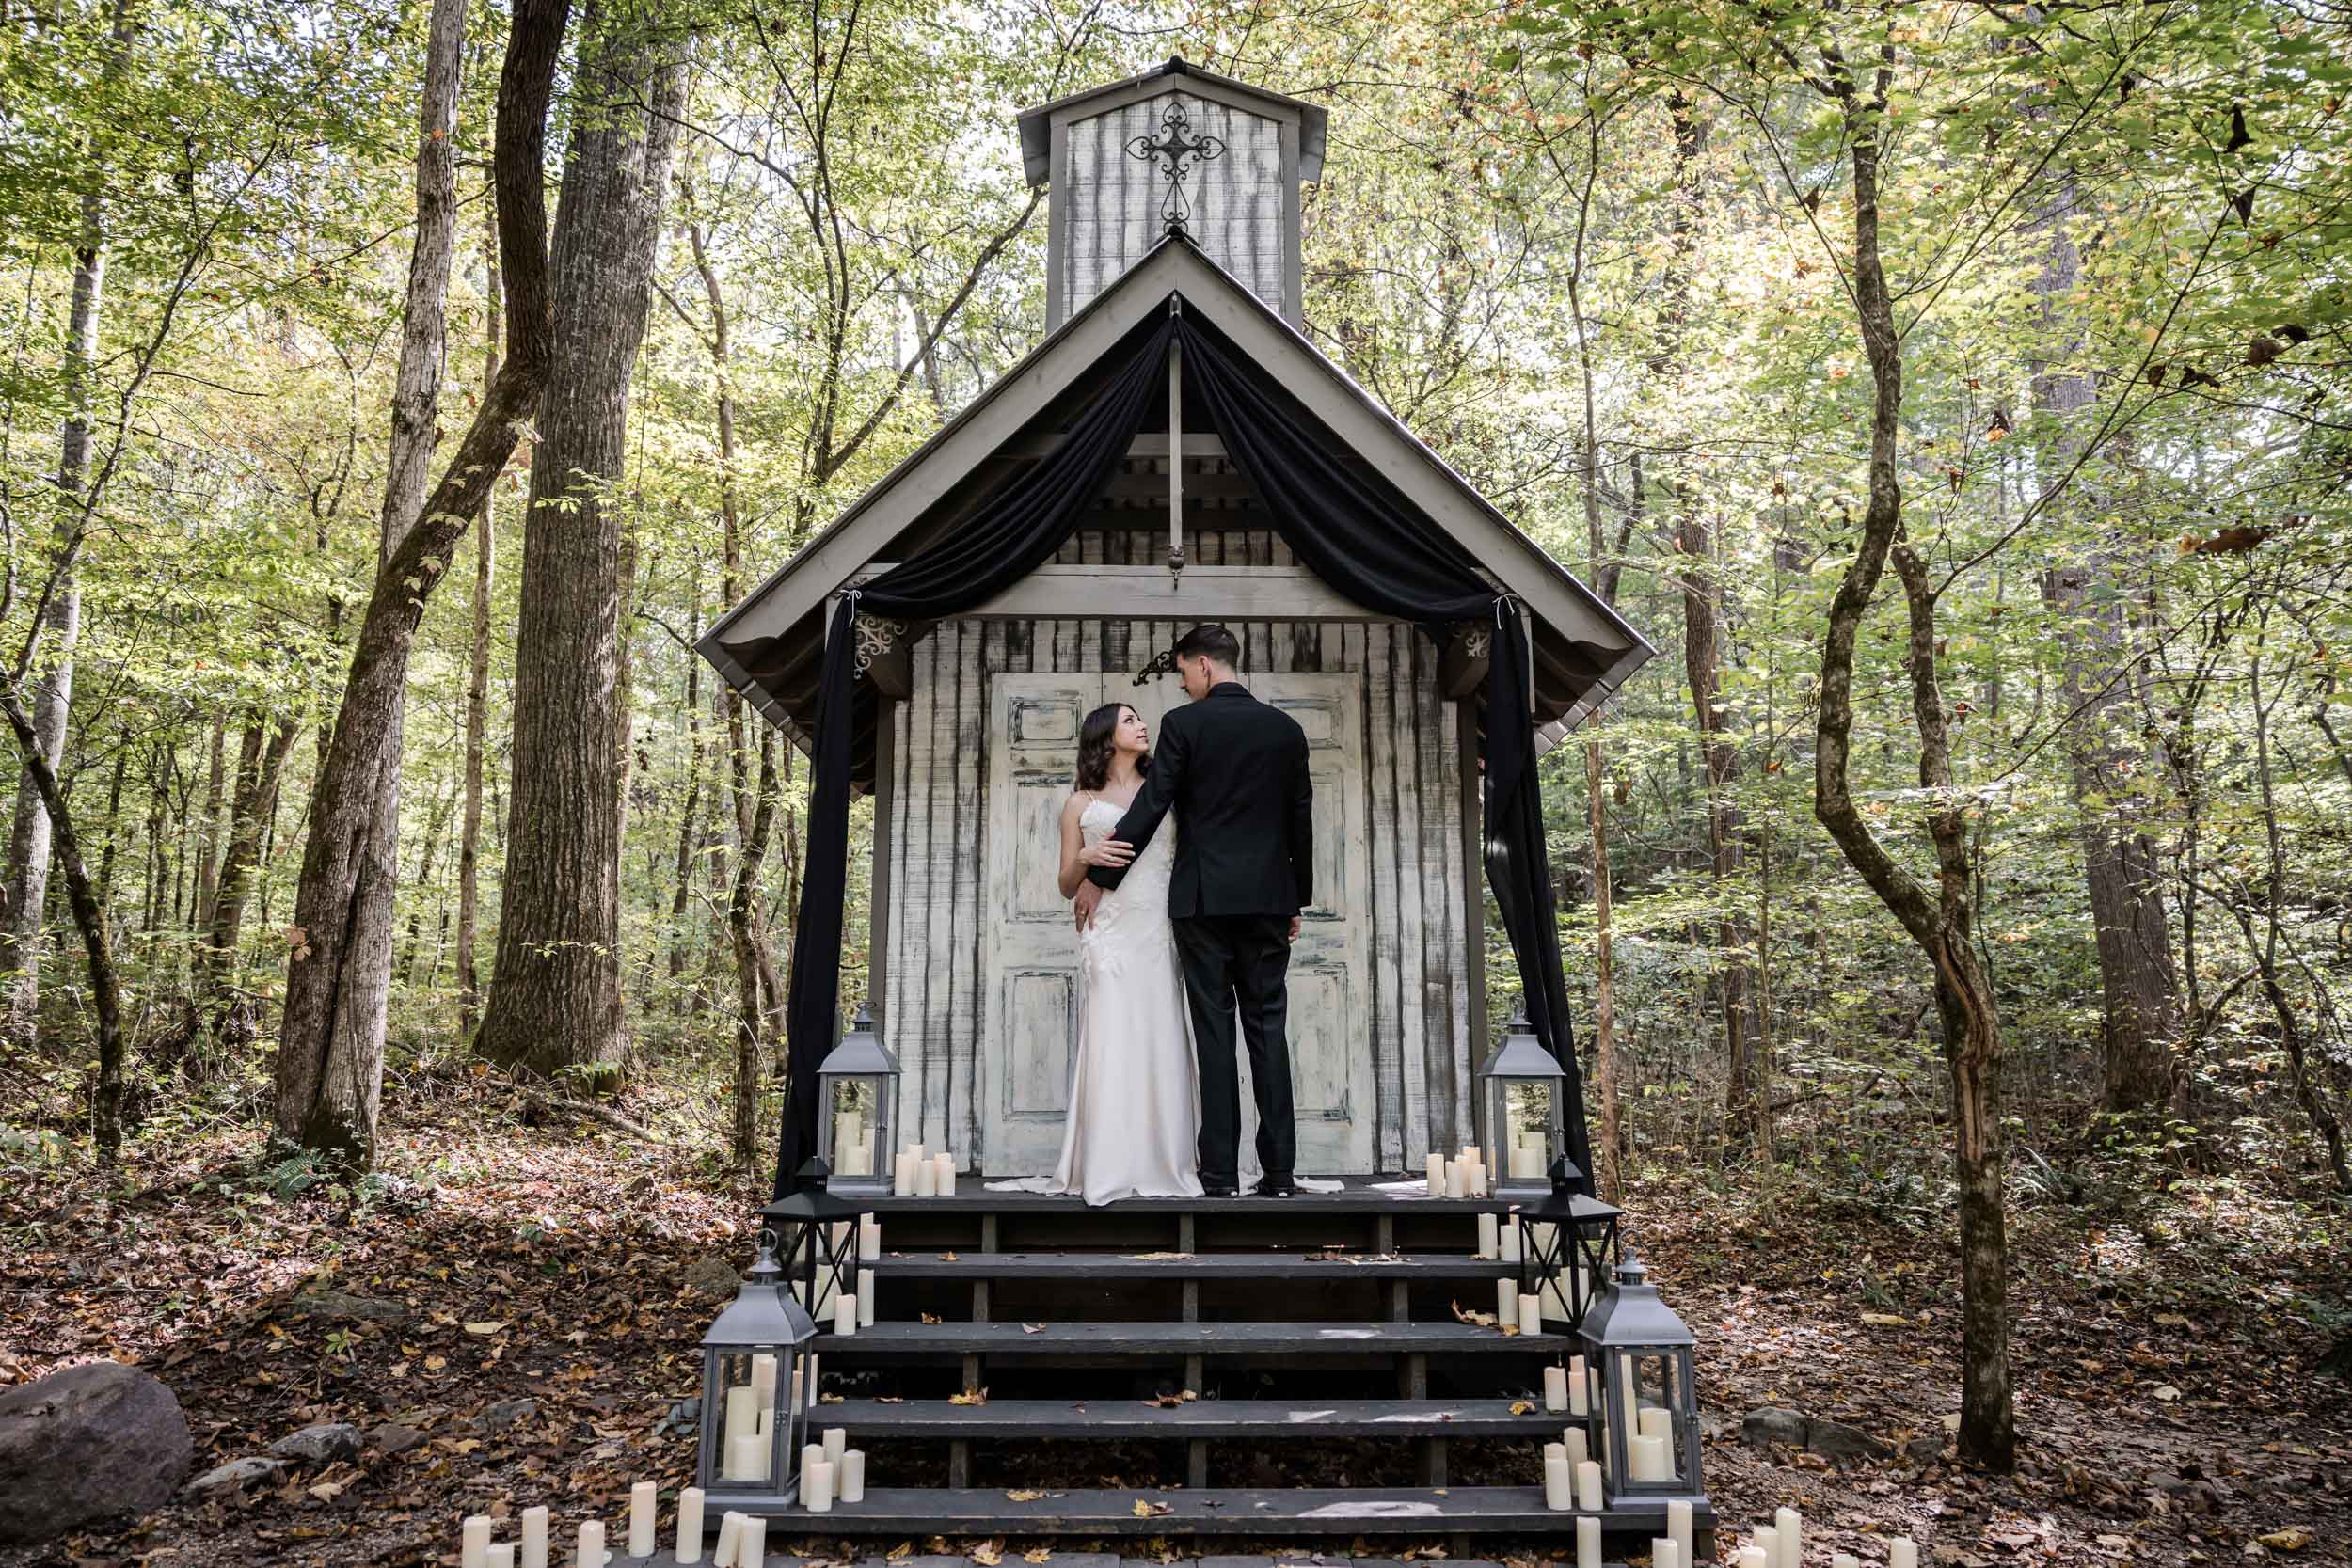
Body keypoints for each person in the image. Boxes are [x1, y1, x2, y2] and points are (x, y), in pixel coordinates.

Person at [1080, 624, 1312, 1197]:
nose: (1183, 684)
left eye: (1184, 672)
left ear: (1204, 665)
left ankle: (1220, 1176)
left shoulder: (1183, 725)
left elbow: (1151, 805)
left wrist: (1100, 877)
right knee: (1268, 1030)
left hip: (1202, 901)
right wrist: (1295, 898)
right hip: (1267, 900)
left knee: (1214, 1033)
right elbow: (1299, 818)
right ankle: (1280, 1175)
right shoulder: (1286, 730)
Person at [990, 701, 1203, 1206]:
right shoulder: (1079, 803)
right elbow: (1067, 885)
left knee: (1161, 1032)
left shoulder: (1166, 791)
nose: (1142, 725)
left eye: (1139, 718)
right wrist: (1085, 858)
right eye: (1130, 720)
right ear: (1105, 736)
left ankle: (1164, 1160)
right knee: (1111, 1036)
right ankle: (1108, 1163)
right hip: (1109, 933)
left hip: (1158, 928)